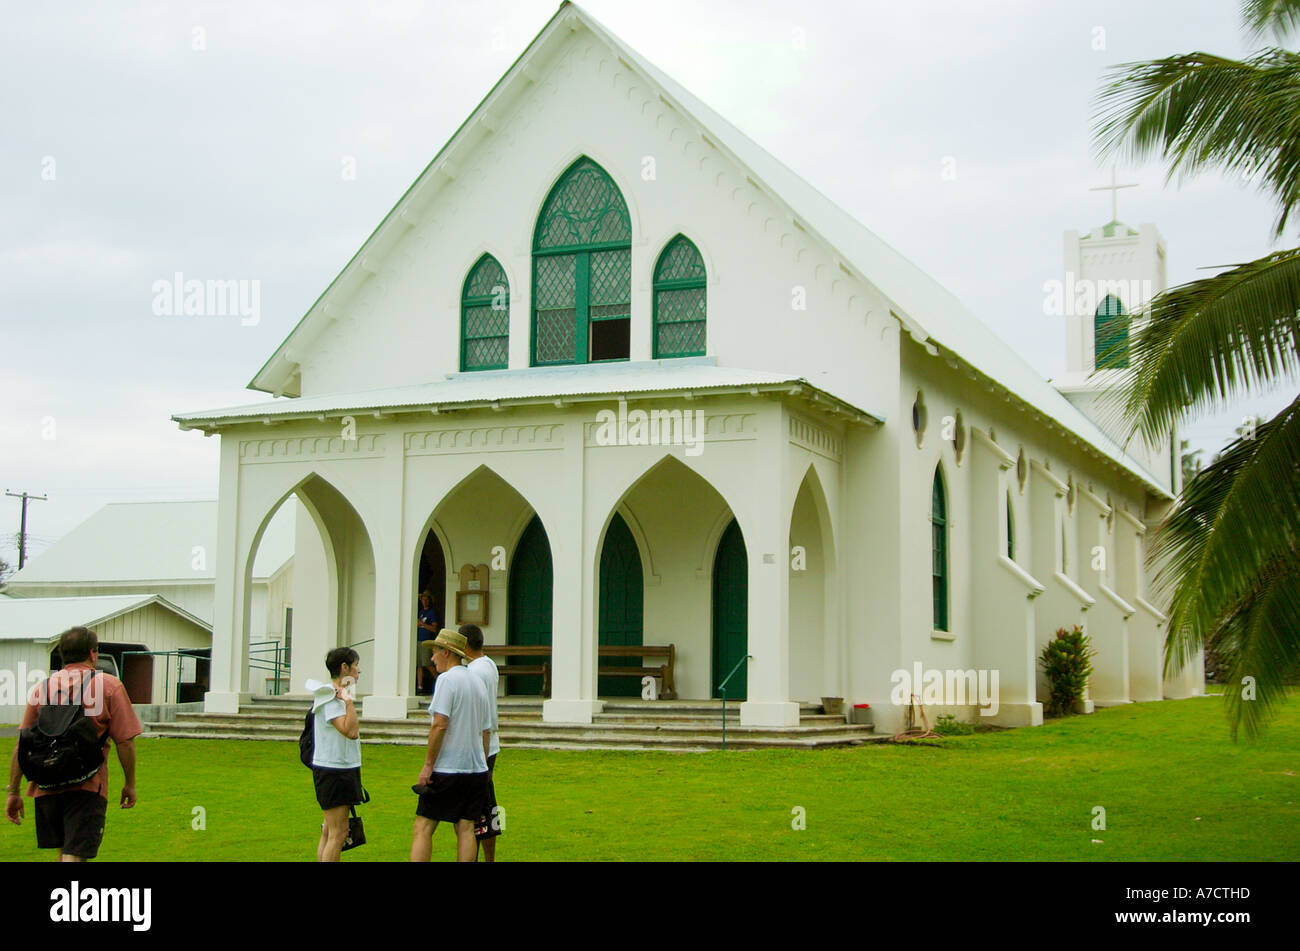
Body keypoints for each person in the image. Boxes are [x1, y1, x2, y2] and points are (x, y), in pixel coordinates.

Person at [4, 626, 141, 861]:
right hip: (88, 784)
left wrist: (14, 792)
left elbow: (22, 744)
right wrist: (130, 784)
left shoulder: (42, 689)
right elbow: (125, 742)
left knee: (64, 853)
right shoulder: (109, 686)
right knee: (75, 855)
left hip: (46, 782)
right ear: (92, 653)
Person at [410, 629, 491, 863]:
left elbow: (439, 724)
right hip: (475, 769)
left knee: (423, 826)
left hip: (448, 768)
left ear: (446, 652)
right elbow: (486, 731)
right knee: (466, 828)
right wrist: (483, 764)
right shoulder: (477, 682)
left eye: (434, 652)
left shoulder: (446, 680)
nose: (432, 658)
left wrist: (428, 765)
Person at [305, 647, 363, 862]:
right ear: (344, 668)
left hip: (341, 768)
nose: (359, 670)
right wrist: (348, 702)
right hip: (334, 770)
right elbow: (350, 731)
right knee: (338, 833)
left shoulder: (334, 695)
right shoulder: (330, 696)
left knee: (330, 830)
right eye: (356, 665)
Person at [461, 623, 501, 862]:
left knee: (480, 809)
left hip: (482, 746)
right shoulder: (488, 664)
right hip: (490, 744)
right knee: (488, 805)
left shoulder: (475, 671)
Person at [416, 590, 440, 695]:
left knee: (427, 663)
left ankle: (438, 679)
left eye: (426, 599)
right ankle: (419, 686)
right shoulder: (421, 612)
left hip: (427, 641)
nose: (424, 602)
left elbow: (434, 629)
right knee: (419, 664)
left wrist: (422, 624)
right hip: (418, 640)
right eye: (423, 599)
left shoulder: (432, 612)